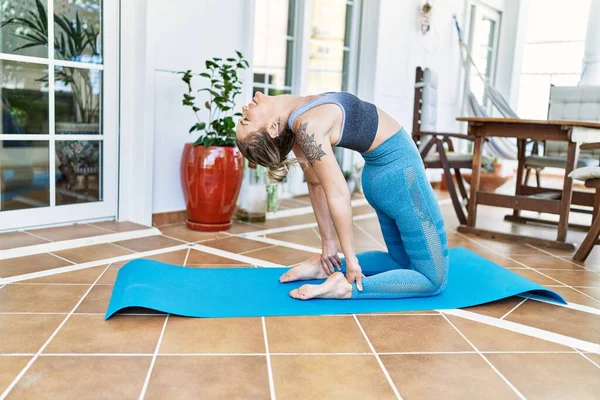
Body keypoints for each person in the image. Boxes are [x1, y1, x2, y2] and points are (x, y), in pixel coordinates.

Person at [236, 91, 448, 300]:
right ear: (273, 128)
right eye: (246, 119)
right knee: (433, 280)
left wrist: (328, 247)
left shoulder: (297, 122)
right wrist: (351, 259)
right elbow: (336, 193)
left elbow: (315, 183)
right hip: (403, 180)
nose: (245, 109)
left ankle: (323, 268)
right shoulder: (306, 126)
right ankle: (345, 289)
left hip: (380, 178)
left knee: (399, 261)